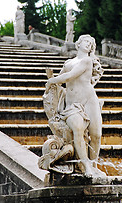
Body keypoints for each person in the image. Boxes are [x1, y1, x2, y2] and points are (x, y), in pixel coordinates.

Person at [45, 34, 104, 176]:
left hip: (89, 100)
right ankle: (86, 166)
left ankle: (94, 164)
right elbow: (61, 79)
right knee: (77, 129)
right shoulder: (68, 63)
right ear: (79, 43)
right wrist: (52, 84)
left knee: (96, 135)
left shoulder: (87, 61)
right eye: (86, 41)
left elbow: (69, 76)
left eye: (91, 43)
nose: (89, 44)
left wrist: (51, 81)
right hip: (72, 104)